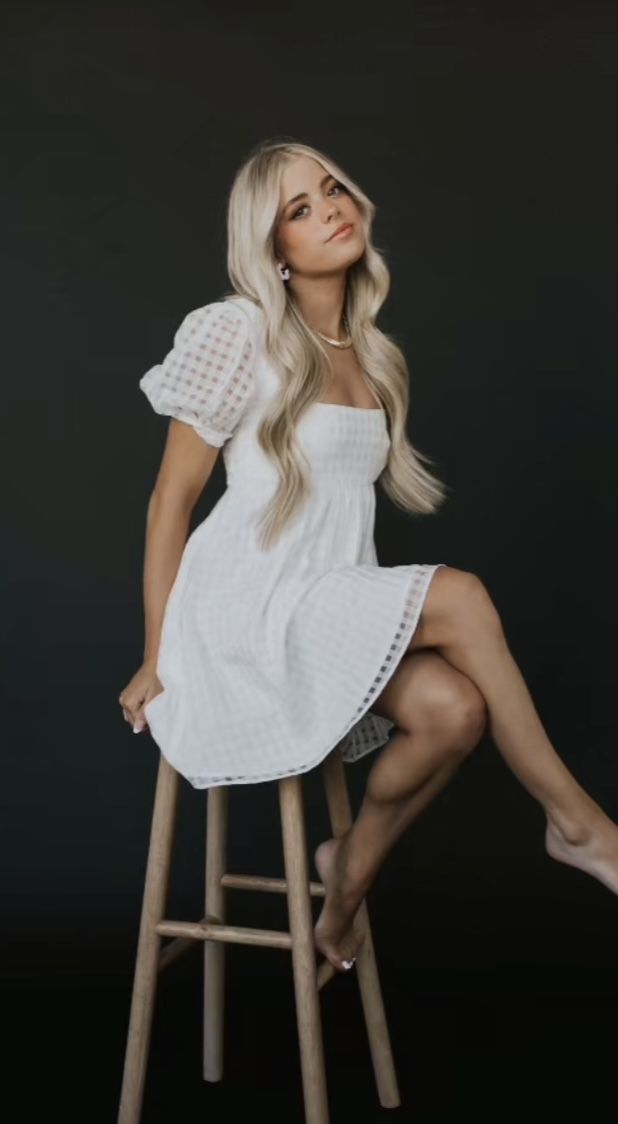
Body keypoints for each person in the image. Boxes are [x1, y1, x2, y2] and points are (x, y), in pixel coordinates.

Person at [119, 137, 618, 974]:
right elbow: (171, 503)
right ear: (273, 249)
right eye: (300, 210)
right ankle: (580, 826)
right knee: (461, 596)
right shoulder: (236, 330)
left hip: (323, 597)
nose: (331, 210)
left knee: (455, 711)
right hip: (246, 608)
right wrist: (154, 654)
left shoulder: (375, 356)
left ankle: (343, 874)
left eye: (333, 189)